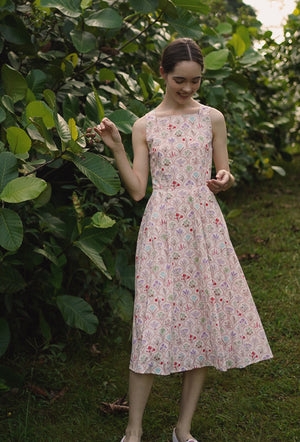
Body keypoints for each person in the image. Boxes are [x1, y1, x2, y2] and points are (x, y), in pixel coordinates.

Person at [88, 38, 273, 442]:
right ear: (162, 74)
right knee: (152, 324)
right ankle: (133, 430)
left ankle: (182, 429)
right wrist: (117, 148)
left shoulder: (213, 118)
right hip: (162, 229)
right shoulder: (145, 125)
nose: (188, 89)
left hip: (204, 225)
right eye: (179, 81)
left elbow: (224, 172)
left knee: (202, 321)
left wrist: (224, 179)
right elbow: (138, 189)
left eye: (195, 81)